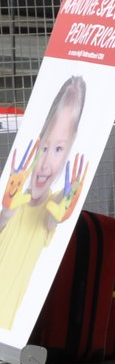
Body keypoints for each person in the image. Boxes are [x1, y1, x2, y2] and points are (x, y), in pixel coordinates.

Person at [0, 75, 88, 327]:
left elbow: (51, 222)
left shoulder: (53, 206)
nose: (46, 163)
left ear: (71, 150)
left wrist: (60, 213)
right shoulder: (16, 195)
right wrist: (6, 210)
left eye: (59, 149)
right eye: (44, 148)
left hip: (7, 323)